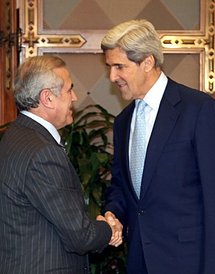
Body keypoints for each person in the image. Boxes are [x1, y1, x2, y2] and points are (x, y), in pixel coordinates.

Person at [101, 19, 215, 274]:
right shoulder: (123, 121)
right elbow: (121, 187)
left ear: (148, 62)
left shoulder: (198, 110)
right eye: (109, 67)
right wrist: (112, 213)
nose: (112, 77)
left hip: (189, 262)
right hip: (140, 260)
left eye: (120, 66)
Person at [0, 55, 122, 274]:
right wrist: (109, 228)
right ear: (47, 98)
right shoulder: (43, 152)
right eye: (69, 90)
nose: (75, 97)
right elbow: (80, 237)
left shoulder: (15, 136)